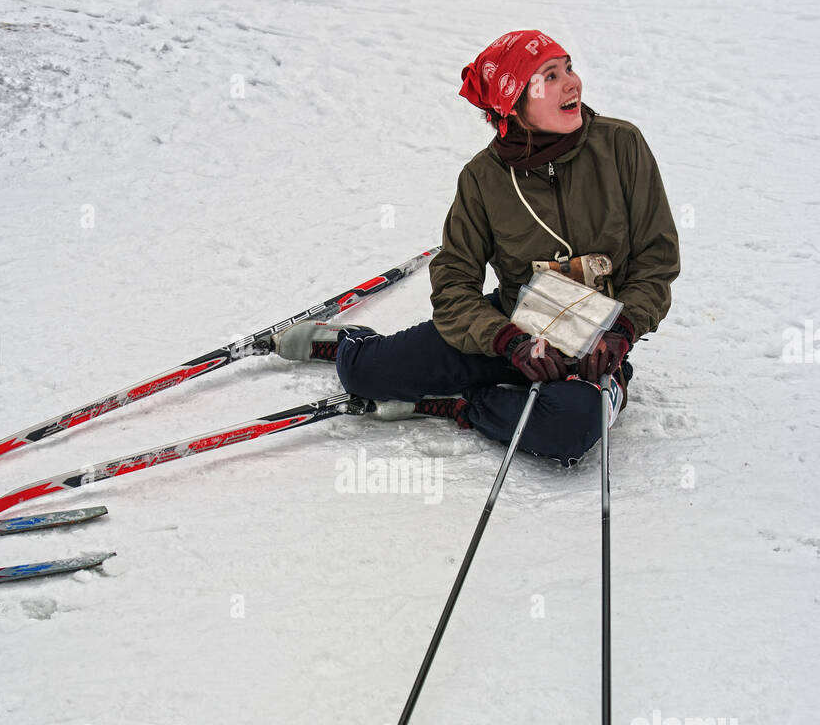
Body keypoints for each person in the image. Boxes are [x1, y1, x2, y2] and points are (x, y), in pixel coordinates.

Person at [274, 29, 680, 466]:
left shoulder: (621, 146)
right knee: (363, 374)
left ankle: (464, 406)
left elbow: (656, 262)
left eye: (568, 67)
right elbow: (453, 282)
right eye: (549, 76)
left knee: (570, 428)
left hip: (591, 351)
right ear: (514, 104)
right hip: (509, 333)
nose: (572, 83)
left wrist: (621, 332)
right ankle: (348, 344)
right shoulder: (483, 179)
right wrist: (507, 341)